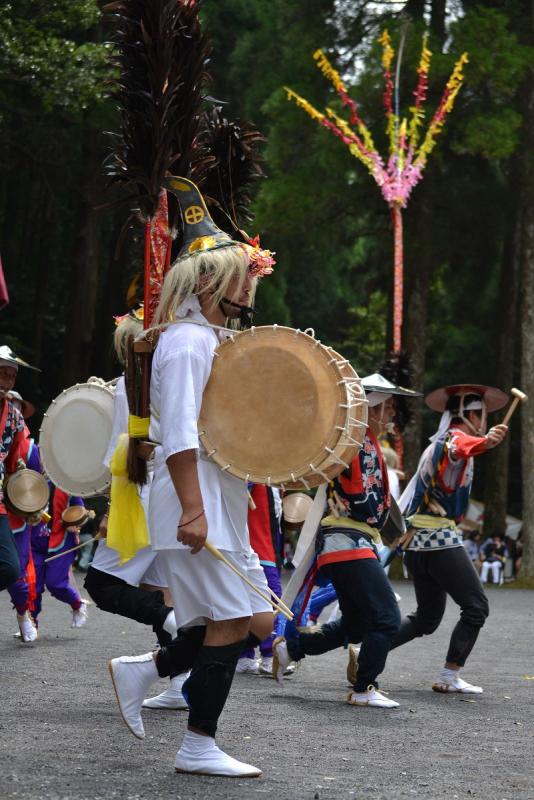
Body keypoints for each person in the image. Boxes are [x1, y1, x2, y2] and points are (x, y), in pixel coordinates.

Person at [108, 176, 276, 777]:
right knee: (231, 621)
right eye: (239, 280)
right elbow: (176, 432)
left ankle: (145, 671)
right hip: (195, 497)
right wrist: (192, 509)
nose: (247, 289)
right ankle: (198, 745)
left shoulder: (204, 339)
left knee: (252, 619)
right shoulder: (185, 343)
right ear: (207, 283)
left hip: (215, 498)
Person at [272, 373, 420, 709]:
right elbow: (357, 495)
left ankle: (290, 649)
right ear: (373, 409)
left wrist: (394, 529)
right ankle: (364, 688)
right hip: (346, 542)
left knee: (357, 623)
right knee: (387, 618)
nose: (392, 414)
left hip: (350, 542)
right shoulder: (351, 441)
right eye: (388, 408)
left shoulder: (365, 443)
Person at [85, 310, 188, 710]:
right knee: (157, 591)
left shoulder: (132, 384)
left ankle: (179, 631)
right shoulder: (172, 383)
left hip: (142, 498)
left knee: (101, 584)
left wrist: (114, 509)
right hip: (171, 496)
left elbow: (121, 451)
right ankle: (180, 682)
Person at [392, 384, 508, 694]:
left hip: (418, 541)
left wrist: (482, 441)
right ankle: (449, 675)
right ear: (471, 414)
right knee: (476, 607)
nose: (484, 421)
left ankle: (370, 650)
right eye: (482, 415)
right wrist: (487, 441)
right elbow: (461, 448)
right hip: (438, 538)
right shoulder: (453, 441)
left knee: (427, 619)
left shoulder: (440, 442)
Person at [0, 346, 39, 595]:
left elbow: (15, 463)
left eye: (11, 376)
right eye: (2, 373)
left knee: (9, 568)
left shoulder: (14, 417)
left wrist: (28, 498)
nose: (7, 380)